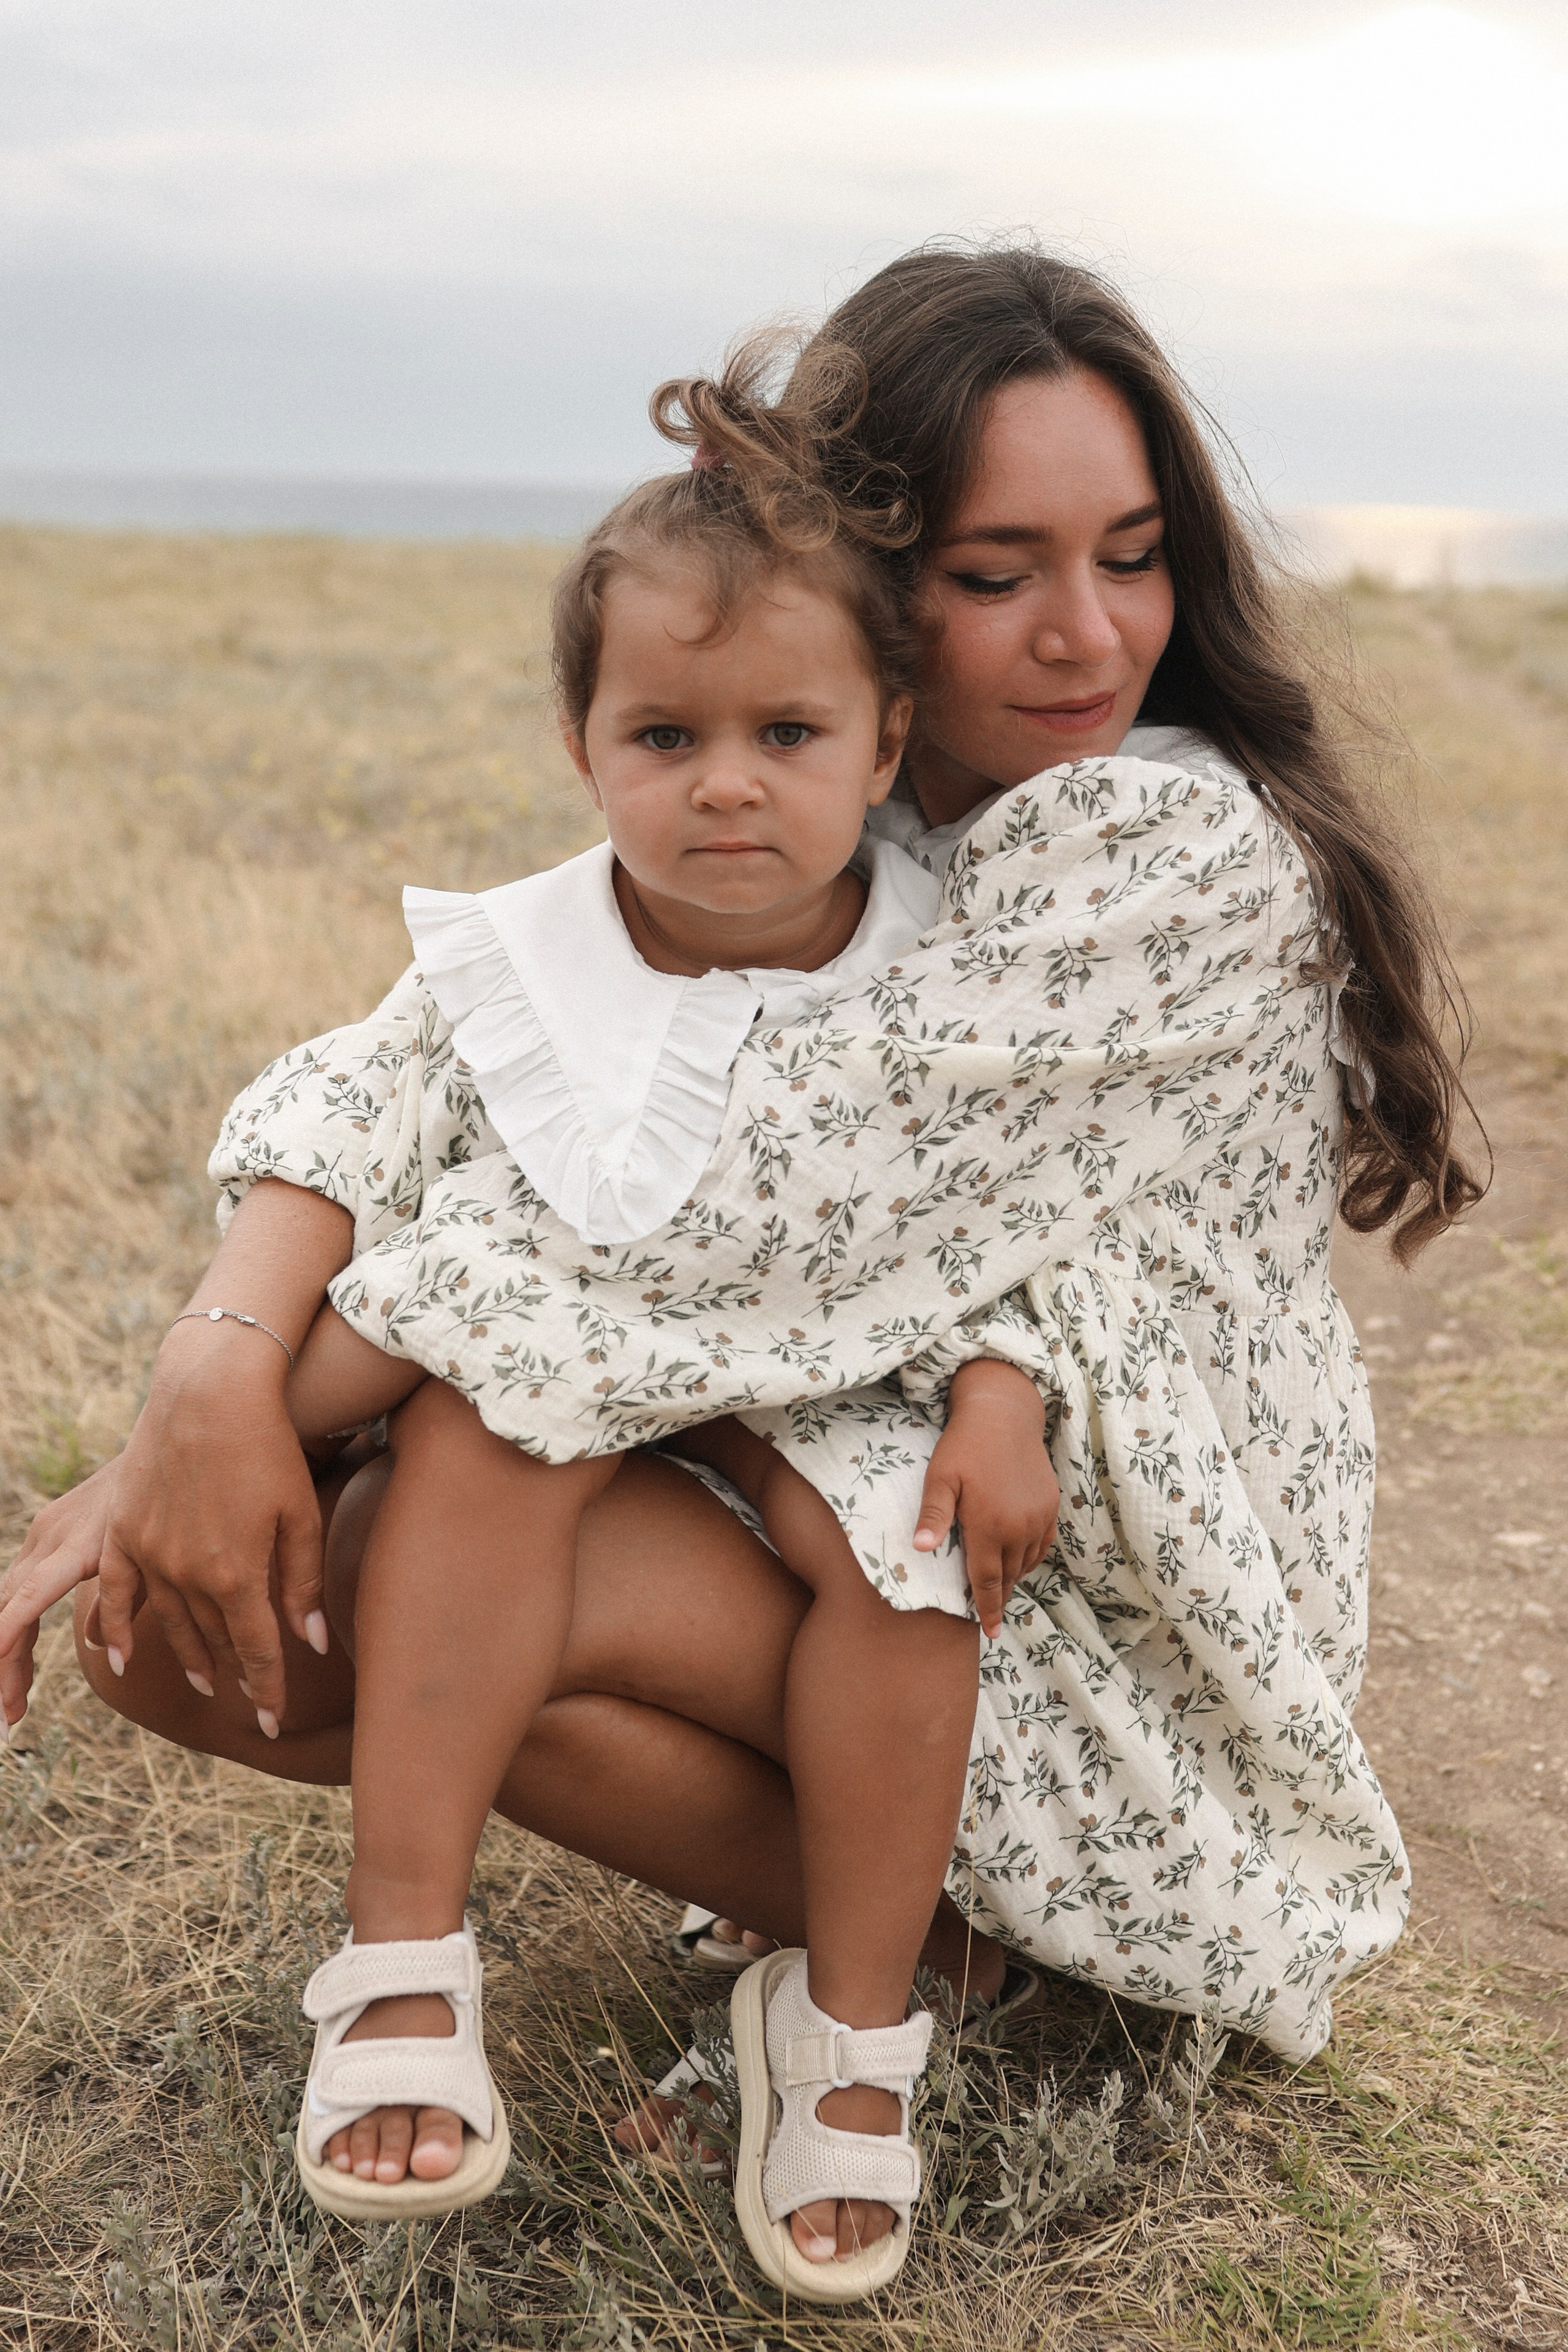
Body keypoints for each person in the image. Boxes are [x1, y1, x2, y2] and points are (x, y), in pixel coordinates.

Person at [0, 242, 1480, 2301]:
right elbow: (401, 1067)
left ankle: (973, 1953)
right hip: (858, 1471)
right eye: (998, 572)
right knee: (221, 1615)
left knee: (389, 1551)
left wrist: (229, 1419)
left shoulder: (1159, 850)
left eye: (1134, 556)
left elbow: (704, 1225)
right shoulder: (830, 823)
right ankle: (767, 1918)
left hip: (1091, 1618)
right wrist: (204, 1364)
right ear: (868, 589)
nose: (1086, 636)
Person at [238, 403, 1054, 2244]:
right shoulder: (527, 964)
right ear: (581, 744)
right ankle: (404, 1959)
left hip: (857, 1392)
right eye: (665, 738)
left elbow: (1027, 1212)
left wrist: (1003, 1385)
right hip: (598, 1398)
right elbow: (350, 1146)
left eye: (790, 736)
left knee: (909, 1564)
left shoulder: (949, 964)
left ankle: (849, 2024)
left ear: (887, 741)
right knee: (484, 1420)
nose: (729, 786)